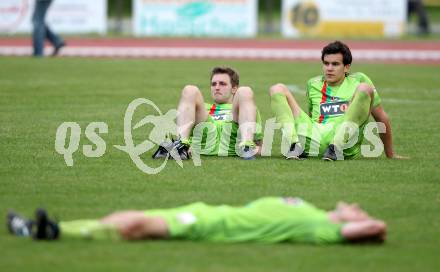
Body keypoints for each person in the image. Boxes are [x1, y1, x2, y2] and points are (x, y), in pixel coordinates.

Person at [7, 196, 386, 244]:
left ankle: (55, 233)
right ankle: (39, 228)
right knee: (125, 216)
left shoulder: (322, 228)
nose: (357, 205)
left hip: (211, 226)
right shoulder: (315, 212)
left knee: (132, 228)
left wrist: (371, 228)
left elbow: (374, 229)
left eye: (360, 208)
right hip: (206, 209)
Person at [269, 41, 406, 161]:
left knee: (365, 88)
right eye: (326, 63)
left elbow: (381, 117)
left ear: (346, 67)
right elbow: (312, 116)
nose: (329, 68)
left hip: (345, 146)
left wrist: (390, 154)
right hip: (314, 140)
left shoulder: (359, 80)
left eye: (335, 64)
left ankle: (335, 146)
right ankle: (294, 146)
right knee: (277, 88)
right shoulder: (313, 84)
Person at [152, 66, 263, 160]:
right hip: (204, 129)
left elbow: (260, 146)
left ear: (234, 88)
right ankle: (181, 146)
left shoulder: (245, 108)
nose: (217, 87)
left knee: (245, 91)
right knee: (190, 89)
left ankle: (246, 147)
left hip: (234, 129)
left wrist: (257, 150)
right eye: (214, 84)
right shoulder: (200, 108)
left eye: (222, 84)